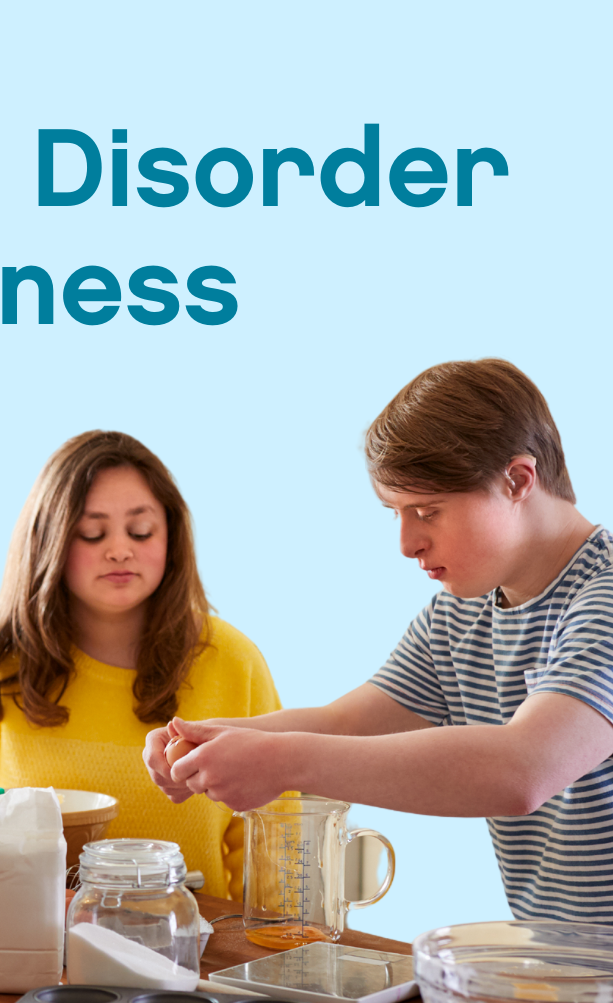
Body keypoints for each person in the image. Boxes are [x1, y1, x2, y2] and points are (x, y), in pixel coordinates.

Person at [145, 359, 613, 923]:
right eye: (395, 513)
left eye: (427, 511)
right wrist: (206, 740)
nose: (407, 543)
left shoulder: (603, 596)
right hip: (564, 966)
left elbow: (520, 771)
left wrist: (284, 762)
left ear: (517, 480)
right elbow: (346, 722)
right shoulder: (458, 616)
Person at [0, 430, 280, 900]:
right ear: (50, 540)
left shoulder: (233, 660)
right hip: (34, 937)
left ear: (171, 536)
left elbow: (275, 823)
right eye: (92, 533)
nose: (119, 550)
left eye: (141, 531)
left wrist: (277, 944)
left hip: (191, 949)